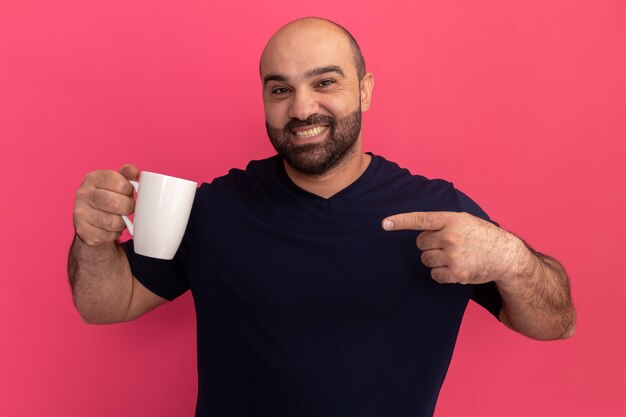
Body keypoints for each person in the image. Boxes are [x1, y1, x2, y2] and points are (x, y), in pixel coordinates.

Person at [68, 17, 575, 417]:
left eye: (325, 82)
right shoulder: (216, 208)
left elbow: (557, 323)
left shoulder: (439, 212)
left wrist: (513, 260)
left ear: (365, 90)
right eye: (280, 89)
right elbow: (107, 304)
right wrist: (92, 240)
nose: (302, 108)